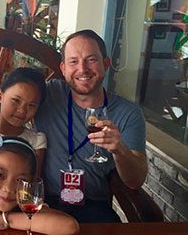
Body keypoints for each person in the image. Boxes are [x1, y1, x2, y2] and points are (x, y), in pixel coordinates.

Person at [35, 29, 147, 222]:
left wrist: (119, 150)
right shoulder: (49, 94)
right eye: (73, 62)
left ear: (106, 64)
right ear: (63, 68)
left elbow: (135, 180)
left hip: (94, 208)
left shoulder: (128, 113)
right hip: (45, 204)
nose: (83, 69)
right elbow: (8, 103)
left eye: (91, 59)